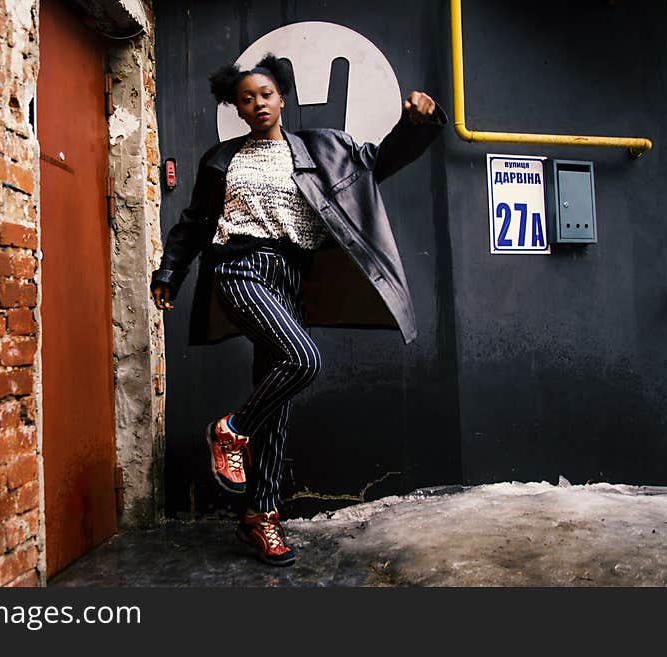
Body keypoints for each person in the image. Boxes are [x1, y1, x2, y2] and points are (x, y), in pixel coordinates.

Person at [150, 53, 446, 566]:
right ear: (236, 109)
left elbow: (379, 163)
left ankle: (260, 518)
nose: (258, 103)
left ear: (282, 97)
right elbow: (196, 221)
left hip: (289, 275)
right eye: (246, 99)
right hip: (238, 267)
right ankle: (230, 430)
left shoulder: (321, 148)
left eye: (265, 94)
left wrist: (415, 125)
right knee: (303, 360)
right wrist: (169, 272)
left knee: (279, 405)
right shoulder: (221, 160)